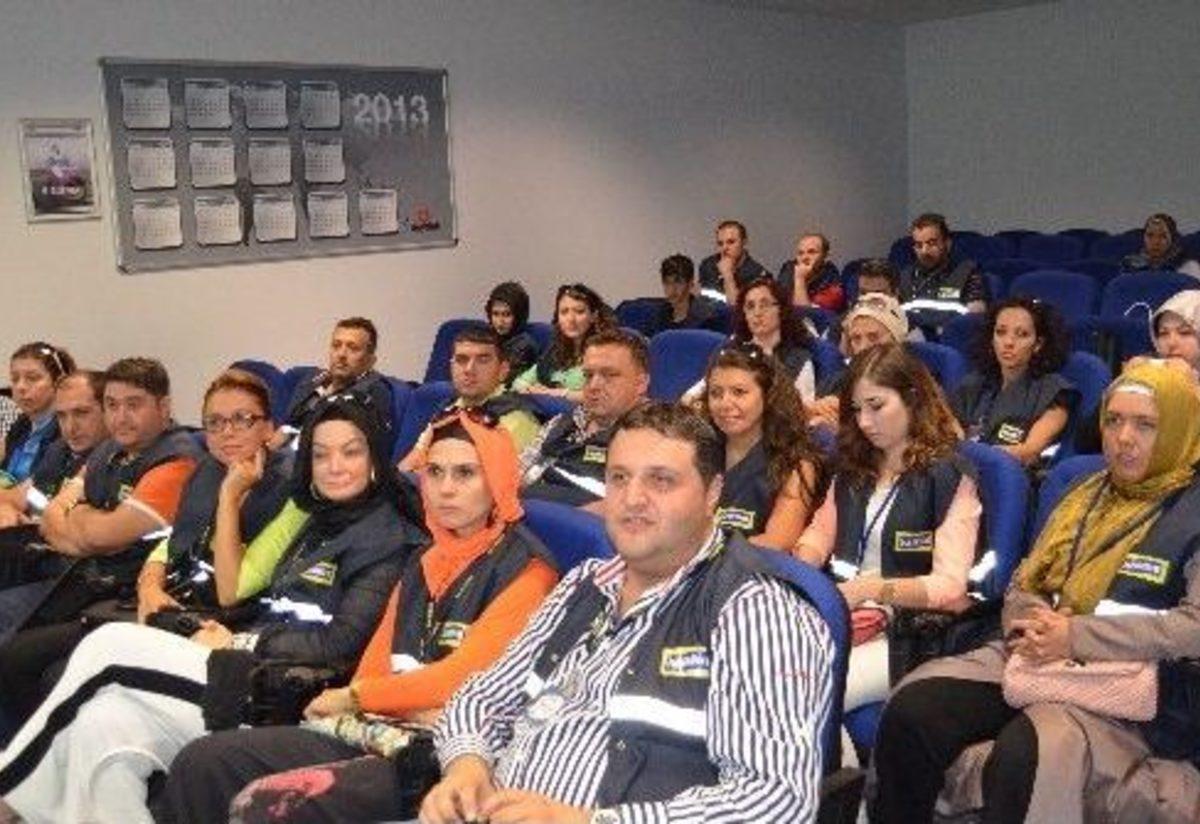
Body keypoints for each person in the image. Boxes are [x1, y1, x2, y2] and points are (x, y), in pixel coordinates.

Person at [0, 395, 426, 824]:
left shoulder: (387, 538)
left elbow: (340, 643)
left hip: (285, 692)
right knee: (104, 724)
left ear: (375, 459)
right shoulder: (313, 515)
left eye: (351, 453)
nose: (334, 466)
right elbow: (242, 592)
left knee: (108, 645)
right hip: (246, 662)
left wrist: (240, 641)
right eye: (320, 454)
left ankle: (6, 793)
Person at [419, 402, 835, 824]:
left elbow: (775, 800)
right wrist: (466, 766)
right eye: (619, 478)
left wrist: (586, 822)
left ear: (712, 493)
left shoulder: (758, 611)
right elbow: (481, 699)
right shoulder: (585, 582)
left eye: (661, 480)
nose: (632, 499)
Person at [159, 407, 562, 823]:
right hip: (374, 729)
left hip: (440, 758)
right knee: (204, 764)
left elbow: (461, 680)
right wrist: (378, 699)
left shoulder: (530, 572)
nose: (446, 489)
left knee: (268, 806)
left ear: (496, 479)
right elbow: (374, 663)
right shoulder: (427, 558)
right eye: (434, 472)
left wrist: (356, 698)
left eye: (465, 473)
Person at [872, 361, 1200, 823]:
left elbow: (1193, 628)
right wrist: (1032, 622)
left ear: (1180, 430)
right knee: (914, 708)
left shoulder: (1193, 511)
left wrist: (1076, 637)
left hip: (1134, 689)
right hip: (1039, 655)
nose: (1123, 438)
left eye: (1146, 425)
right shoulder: (1085, 494)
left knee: (1026, 756)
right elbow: (1025, 582)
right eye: (1113, 420)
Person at [0, 369, 292, 731]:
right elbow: (171, 544)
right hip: (157, 602)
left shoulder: (287, 490)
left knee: (59, 676)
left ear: (269, 428)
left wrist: (231, 497)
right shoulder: (206, 471)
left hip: (217, 622)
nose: (227, 432)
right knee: (14, 656)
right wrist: (150, 585)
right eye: (215, 422)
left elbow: (233, 591)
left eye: (242, 419)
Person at [793, 344, 981, 716]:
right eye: (856, 410)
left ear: (911, 398)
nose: (864, 422)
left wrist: (868, 589)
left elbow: (949, 586)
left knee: (808, 695)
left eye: (876, 406)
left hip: (909, 632)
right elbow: (819, 535)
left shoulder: (949, 476)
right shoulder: (852, 466)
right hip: (842, 612)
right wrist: (801, 570)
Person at [0, 357, 200, 621]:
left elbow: (101, 537)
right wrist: (80, 528)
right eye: (112, 405)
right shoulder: (109, 449)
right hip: (76, 572)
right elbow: (51, 516)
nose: (121, 417)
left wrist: (77, 516)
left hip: (120, 591)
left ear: (163, 407)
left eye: (133, 405)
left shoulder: (176, 461)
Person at [701, 343, 822, 550]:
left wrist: (701, 552)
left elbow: (776, 543)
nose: (725, 403)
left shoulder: (793, 463)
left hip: (748, 568)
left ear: (768, 396)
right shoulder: (697, 451)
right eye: (716, 393)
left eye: (739, 392)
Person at [520, 329, 649, 506]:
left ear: (641, 383)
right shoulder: (562, 421)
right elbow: (518, 473)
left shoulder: (655, 438)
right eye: (588, 375)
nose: (594, 386)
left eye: (609, 375)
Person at [951, 296, 1078, 467]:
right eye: (1000, 332)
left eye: (1022, 334)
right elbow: (947, 426)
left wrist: (977, 454)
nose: (1008, 342)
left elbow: (1029, 452)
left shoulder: (1056, 392)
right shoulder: (974, 383)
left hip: (1012, 475)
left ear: (1038, 344)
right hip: (962, 469)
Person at [397, 326, 541, 470]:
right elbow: (414, 459)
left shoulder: (516, 422)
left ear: (503, 370)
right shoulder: (449, 407)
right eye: (461, 360)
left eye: (483, 360)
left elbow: (489, 481)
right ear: (451, 367)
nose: (469, 369)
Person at [0, 370, 107, 528]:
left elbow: (88, 534)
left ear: (109, 410)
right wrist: (6, 510)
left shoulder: (115, 461)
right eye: (61, 415)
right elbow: (19, 497)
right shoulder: (60, 449)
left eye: (81, 413)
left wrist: (36, 526)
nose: (70, 428)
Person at [282, 317, 394, 447]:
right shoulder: (313, 379)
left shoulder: (374, 392)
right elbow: (289, 419)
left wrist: (288, 434)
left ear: (370, 360)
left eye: (353, 348)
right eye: (336, 345)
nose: (341, 354)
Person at [809, 293, 911, 430]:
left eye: (874, 337)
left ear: (896, 341)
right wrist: (813, 411)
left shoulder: (913, 384)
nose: (863, 347)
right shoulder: (834, 383)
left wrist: (845, 417)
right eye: (856, 339)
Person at [511, 283, 613, 400]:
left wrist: (558, 393)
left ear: (593, 316)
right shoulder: (555, 350)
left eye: (579, 311)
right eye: (564, 312)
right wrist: (532, 390)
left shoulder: (605, 351)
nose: (571, 319)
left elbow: (603, 395)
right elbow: (519, 382)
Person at [901, 213, 988, 337]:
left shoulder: (967, 272)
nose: (925, 251)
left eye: (932, 243)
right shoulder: (905, 276)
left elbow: (975, 318)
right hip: (912, 342)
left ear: (947, 243)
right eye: (919, 245)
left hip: (951, 342)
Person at [0, 343, 76, 485]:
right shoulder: (21, 423)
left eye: (32, 378)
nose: (20, 387)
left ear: (58, 382)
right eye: (15, 379)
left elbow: (37, 490)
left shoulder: (67, 429)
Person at [735, 275, 817, 401]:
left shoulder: (799, 360)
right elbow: (703, 393)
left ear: (781, 310)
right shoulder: (732, 351)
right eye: (750, 307)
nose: (757, 313)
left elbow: (803, 408)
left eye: (764, 305)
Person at [697, 219, 770, 304]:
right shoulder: (708, 265)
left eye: (731, 242)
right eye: (720, 244)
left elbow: (738, 309)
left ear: (744, 242)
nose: (724, 248)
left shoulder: (758, 275)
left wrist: (728, 275)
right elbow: (701, 300)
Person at [656, 253, 723, 333]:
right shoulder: (658, 316)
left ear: (690, 284)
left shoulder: (704, 319)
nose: (672, 289)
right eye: (667, 283)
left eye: (678, 282)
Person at [485, 281, 539, 380]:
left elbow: (504, 381)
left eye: (507, 315)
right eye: (495, 314)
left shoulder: (524, 345)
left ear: (519, 316)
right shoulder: (488, 336)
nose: (500, 322)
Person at [778, 232, 845, 311]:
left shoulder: (834, 290)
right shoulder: (788, 271)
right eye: (800, 253)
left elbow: (805, 314)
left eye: (811, 252)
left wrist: (800, 278)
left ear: (825, 255)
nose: (804, 257)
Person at [1121, 213, 1200, 278]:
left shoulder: (1187, 267)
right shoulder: (1130, 265)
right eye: (1150, 235)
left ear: (1172, 239)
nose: (1156, 242)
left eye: (1163, 236)